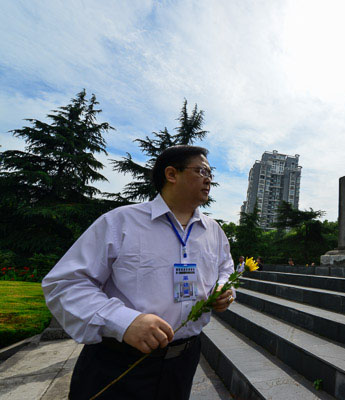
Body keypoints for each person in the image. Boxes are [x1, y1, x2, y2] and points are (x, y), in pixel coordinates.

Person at [42, 145, 235, 400]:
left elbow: (225, 268)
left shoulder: (214, 231)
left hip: (183, 361)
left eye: (211, 173)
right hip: (119, 360)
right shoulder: (120, 222)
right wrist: (123, 321)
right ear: (171, 174)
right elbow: (65, 283)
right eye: (201, 171)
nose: (209, 179)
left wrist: (224, 288)